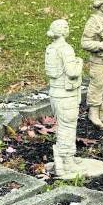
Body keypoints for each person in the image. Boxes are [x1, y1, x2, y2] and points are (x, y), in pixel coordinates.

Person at [44, 19, 83, 177]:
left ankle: (67, 158)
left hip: (55, 93)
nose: (68, 28)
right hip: (66, 94)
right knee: (68, 127)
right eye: (66, 26)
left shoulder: (50, 48)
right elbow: (72, 72)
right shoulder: (66, 49)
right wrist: (80, 62)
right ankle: (66, 161)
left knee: (63, 126)